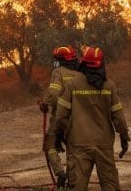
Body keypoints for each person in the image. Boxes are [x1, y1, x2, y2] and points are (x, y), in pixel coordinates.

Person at [52, 47, 129, 191]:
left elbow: (61, 116)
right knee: (110, 185)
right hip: (104, 144)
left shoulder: (72, 85)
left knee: (77, 187)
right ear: (101, 64)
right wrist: (124, 137)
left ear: (83, 63)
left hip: (78, 144)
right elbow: (118, 117)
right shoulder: (109, 86)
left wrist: (58, 136)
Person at [39, 45, 83, 188]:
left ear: (60, 60)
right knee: (72, 149)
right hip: (78, 120)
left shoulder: (58, 72)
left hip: (60, 118)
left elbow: (53, 93)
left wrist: (44, 104)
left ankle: (60, 173)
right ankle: (73, 181)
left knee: (49, 144)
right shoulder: (81, 74)